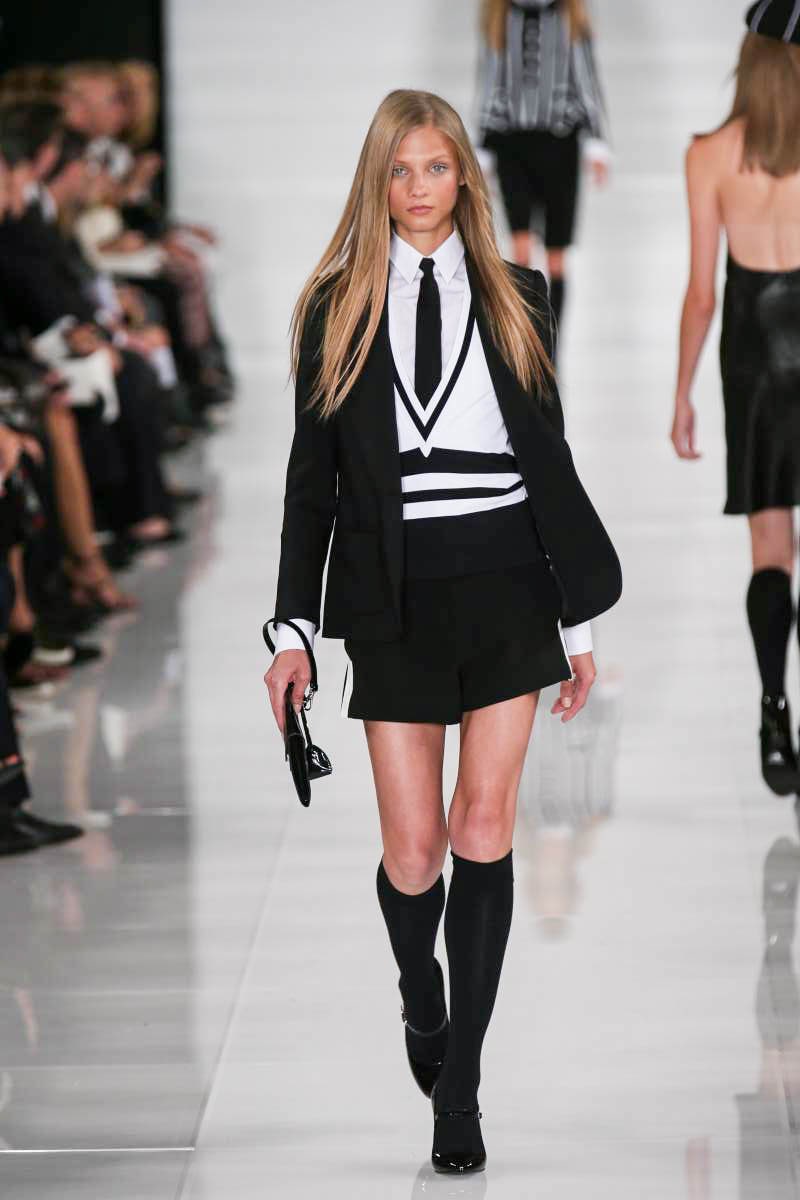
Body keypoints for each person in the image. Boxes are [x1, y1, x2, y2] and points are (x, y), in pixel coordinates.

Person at [264, 88, 621, 1174]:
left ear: (463, 174)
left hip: (506, 576)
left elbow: (548, 459)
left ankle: (459, 1086)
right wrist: (290, 631)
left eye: (435, 166)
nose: (419, 187)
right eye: (399, 169)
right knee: (413, 851)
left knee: (483, 826)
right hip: (391, 591)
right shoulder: (334, 308)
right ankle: (422, 994)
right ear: (377, 182)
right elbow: (311, 485)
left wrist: (577, 624)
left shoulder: (520, 295)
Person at [671, 0, 800, 800]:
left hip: (753, 360)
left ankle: (774, 712)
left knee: (769, 545)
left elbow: (700, 295)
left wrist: (682, 393)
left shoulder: (709, 155)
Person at [477, 0, 610, 349]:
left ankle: (550, 345)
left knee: (555, 254)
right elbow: (490, 79)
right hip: (511, 145)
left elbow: (586, 77)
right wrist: (483, 147)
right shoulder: (499, 16)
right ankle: (525, 342)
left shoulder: (570, 16)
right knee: (521, 248)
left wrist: (596, 139)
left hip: (559, 146)